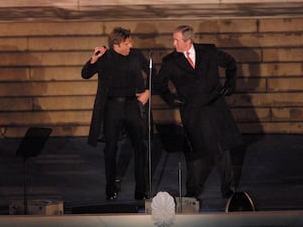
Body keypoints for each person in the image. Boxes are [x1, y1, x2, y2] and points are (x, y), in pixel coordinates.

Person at [155, 25, 242, 200]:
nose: (173, 43)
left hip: (214, 107)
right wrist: (172, 99)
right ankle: (192, 189)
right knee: (194, 152)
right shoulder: (170, 62)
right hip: (192, 111)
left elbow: (231, 63)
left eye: (176, 40)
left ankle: (228, 188)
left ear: (188, 41)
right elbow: (160, 85)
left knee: (221, 150)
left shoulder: (209, 51)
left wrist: (230, 86)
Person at [81, 27, 152, 200]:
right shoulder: (105, 57)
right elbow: (85, 74)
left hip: (132, 105)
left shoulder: (135, 55)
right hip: (112, 107)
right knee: (110, 149)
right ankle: (110, 188)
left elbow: (152, 73)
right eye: (126, 43)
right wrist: (94, 58)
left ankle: (141, 190)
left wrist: (148, 92)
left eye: (130, 42)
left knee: (140, 147)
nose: (130, 46)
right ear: (116, 45)